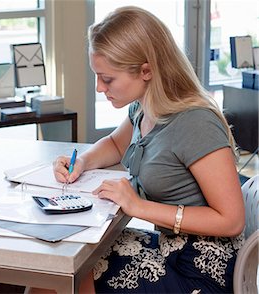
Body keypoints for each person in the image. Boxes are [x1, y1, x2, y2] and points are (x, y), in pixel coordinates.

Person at [52, 6, 245, 293]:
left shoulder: (196, 123)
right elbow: (116, 144)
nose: (99, 88)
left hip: (201, 267)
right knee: (57, 272)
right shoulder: (144, 106)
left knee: (71, 278)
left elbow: (232, 221)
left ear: (146, 70)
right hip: (171, 247)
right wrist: (83, 162)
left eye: (107, 79)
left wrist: (139, 207)